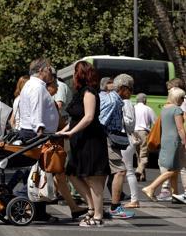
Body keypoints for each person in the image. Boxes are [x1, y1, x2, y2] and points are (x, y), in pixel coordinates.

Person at [18, 58, 85, 223]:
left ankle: (40, 211)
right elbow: (36, 109)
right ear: (41, 71)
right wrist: (40, 131)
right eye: (49, 70)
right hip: (39, 135)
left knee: (43, 173)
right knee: (40, 172)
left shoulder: (33, 86)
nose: (51, 74)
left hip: (37, 133)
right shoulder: (36, 87)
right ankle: (24, 199)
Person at [58, 61, 109, 227]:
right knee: (72, 173)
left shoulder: (89, 92)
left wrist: (71, 132)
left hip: (91, 139)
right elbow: (75, 119)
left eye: (74, 72)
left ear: (79, 74)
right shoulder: (79, 92)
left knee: (93, 177)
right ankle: (92, 206)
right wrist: (63, 131)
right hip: (80, 139)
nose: (72, 75)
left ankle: (98, 215)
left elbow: (88, 117)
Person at [99, 74, 135, 218]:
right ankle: (115, 207)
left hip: (108, 138)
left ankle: (97, 207)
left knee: (103, 175)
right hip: (107, 138)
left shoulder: (115, 99)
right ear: (123, 88)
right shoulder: (113, 101)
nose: (132, 93)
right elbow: (101, 121)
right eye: (131, 89)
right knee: (120, 171)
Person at [141, 87, 186, 202]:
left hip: (165, 140)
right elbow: (180, 129)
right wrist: (185, 141)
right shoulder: (177, 110)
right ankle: (151, 187)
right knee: (172, 170)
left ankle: (175, 194)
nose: (183, 99)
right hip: (174, 141)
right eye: (182, 97)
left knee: (174, 168)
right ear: (177, 97)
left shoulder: (165, 108)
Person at [114, 74, 140, 209]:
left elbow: (130, 124)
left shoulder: (126, 103)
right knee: (124, 170)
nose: (131, 91)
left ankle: (134, 199)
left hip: (125, 139)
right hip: (123, 139)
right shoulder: (122, 102)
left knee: (128, 170)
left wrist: (119, 116)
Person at [134, 93, 155, 182]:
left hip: (133, 133)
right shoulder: (148, 109)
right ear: (145, 100)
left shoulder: (133, 108)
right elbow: (155, 122)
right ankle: (139, 171)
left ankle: (142, 176)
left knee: (138, 154)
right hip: (143, 132)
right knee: (144, 154)